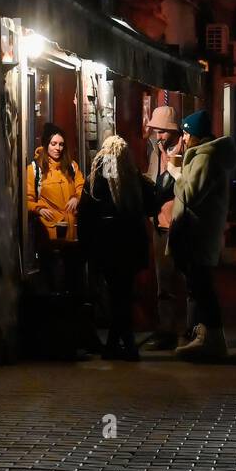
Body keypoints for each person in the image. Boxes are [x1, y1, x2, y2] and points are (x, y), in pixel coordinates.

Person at [78, 136, 156, 361]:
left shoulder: (97, 179)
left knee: (117, 295)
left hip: (107, 248)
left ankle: (118, 345)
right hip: (128, 248)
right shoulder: (131, 178)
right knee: (122, 295)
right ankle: (123, 344)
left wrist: (87, 248)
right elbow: (151, 203)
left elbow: (86, 215)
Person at [169, 110, 236, 360]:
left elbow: (189, 194)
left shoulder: (206, 158)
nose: (184, 139)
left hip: (198, 234)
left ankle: (213, 340)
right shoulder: (203, 156)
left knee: (203, 287)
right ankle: (203, 336)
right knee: (198, 286)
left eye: (186, 133)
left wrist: (174, 171)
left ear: (196, 135)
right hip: (197, 233)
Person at [143, 105, 185, 351]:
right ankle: (166, 330)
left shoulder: (185, 150)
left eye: (161, 131)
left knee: (184, 280)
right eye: (155, 131)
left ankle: (186, 330)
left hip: (179, 224)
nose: (157, 136)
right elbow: (152, 179)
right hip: (159, 224)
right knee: (164, 282)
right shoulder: (156, 151)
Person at [25, 123, 85, 242]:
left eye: (61, 144)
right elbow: (27, 199)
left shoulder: (72, 166)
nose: (58, 148)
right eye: (54, 144)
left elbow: (82, 187)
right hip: (48, 231)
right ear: (46, 144)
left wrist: (77, 198)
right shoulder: (34, 169)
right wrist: (39, 209)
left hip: (72, 231)